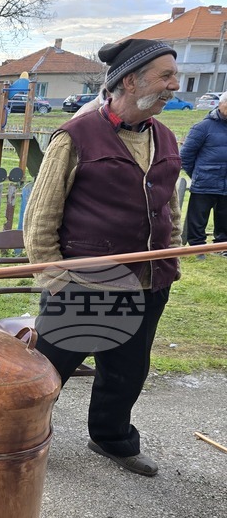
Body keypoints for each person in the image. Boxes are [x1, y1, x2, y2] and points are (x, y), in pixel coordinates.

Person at [23, 38, 183, 477]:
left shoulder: (165, 137)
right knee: (47, 374)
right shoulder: (75, 136)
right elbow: (40, 218)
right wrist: (56, 280)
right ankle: (18, 439)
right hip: (85, 282)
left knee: (127, 370)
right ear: (130, 81)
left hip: (150, 282)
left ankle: (112, 438)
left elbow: (167, 205)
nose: (175, 84)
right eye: (165, 75)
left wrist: (169, 257)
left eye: (174, 75)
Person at [179, 91, 227, 258]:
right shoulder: (202, 127)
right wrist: (198, 174)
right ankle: (197, 247)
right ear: (221, 105)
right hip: (205, 181)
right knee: (198, 217)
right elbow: (185, 155)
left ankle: (222, 247)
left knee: (224, 217)